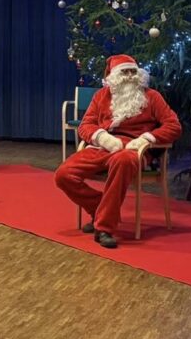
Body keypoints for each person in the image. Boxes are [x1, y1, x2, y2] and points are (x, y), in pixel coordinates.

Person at [54, 54, 182, 249]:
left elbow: (173, 126)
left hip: (133, 148)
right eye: (124, 72)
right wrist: (102, 137)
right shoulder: (101, 96)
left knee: (123, 161)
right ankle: (100, 209)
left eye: (133, 71)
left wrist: (146, 139)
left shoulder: (152, 97)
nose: (130, 76)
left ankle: (104, 228)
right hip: (104, 145)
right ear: (113, 76)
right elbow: (85, 125)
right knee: (63, 175)